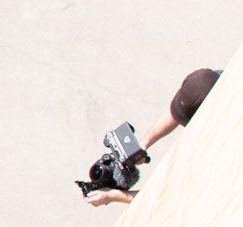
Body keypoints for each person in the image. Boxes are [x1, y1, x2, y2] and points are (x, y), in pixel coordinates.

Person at [83, 68, 221, 206]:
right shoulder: (219, 81)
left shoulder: (212, 149)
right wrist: (141, 146)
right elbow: (175, 113)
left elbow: (170, 197)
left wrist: (116, 196)